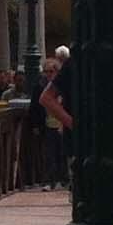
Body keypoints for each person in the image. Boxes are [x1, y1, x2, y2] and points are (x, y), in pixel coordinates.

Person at [36, 48, 74, 189]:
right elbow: (45, 99)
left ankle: (62, 181)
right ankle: (53, 181)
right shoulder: (73, 64)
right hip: (75, 138)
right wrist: (72, 123)